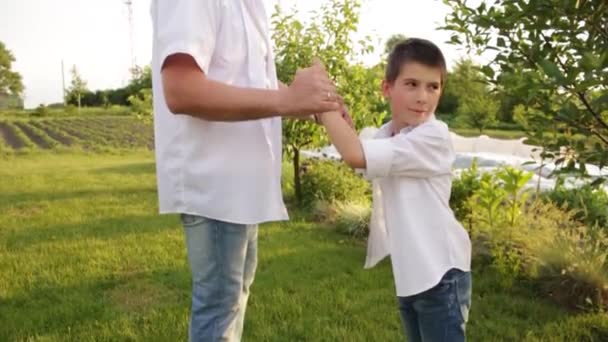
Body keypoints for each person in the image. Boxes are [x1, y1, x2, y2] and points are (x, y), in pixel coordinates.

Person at [150, 0, 345, 341]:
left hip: (240, 186)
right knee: (219, 312)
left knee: (230, 302)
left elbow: (250, 85)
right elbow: (182, 90)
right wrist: (290, 100)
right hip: (215, 185)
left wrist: (311, 102)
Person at [318, 38, 472, 342]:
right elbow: (358, 150)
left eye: (433, 87)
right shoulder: (387, 133)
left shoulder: (433, 136)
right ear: (387, 88)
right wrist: (335, 111)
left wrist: (322, 107)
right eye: (412, 84)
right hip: (412, 274)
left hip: (441, 273)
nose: (422, 97)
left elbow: (354, 154)